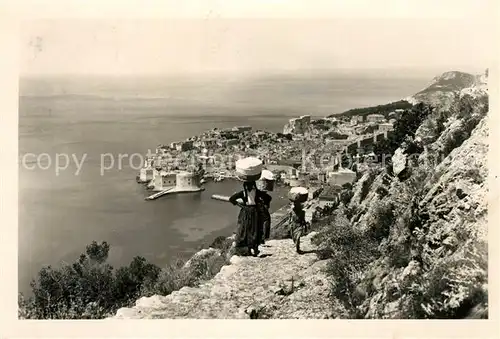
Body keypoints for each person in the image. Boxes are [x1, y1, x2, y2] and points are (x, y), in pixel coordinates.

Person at [229, 181, 272, 257]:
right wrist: (262, 204)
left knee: (251, 230)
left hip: (249, 212)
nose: (248, 187)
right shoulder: (253, 192)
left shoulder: (245, 193)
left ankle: (253, 249)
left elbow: (232, 199)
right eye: (247, 185)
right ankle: (252, 249)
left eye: (249, 185)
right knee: (252, 230)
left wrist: (241, 206)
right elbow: (231, 199)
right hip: (252, 212)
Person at [288, 187, 309, 254]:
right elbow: (290, 219)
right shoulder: (292, 211)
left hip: (299, 225)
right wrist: (289, 225)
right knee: (294, 238)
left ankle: (297, 249)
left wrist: (305, 226)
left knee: (298, 237)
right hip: (293, 225)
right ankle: (297, 247)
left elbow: (303, 219)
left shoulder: (302, 212)